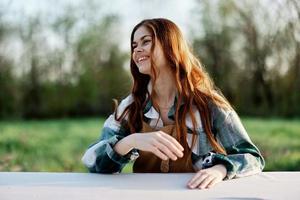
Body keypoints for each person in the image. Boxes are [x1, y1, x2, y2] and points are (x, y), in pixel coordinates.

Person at [82, 18, 265, 189]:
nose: (136, 50)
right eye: (134, 45)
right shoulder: (130, 107)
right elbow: (91, 160)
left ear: (170, 46)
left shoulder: (208, 104)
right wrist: (131, 141)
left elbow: (253, 158)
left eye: (146, 41)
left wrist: (221, 169)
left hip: (194, 194)